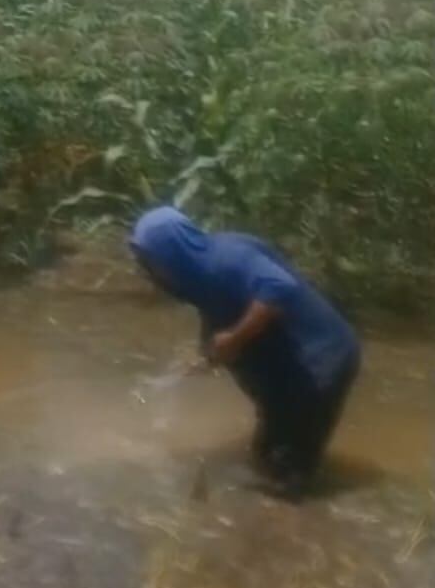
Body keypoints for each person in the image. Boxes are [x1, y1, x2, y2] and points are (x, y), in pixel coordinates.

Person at [130, 205, 360, 498]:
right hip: (289, 372)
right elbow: (221, 311)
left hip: (320, 363)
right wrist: (207, 356)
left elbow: (279, 289)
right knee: (264, 455)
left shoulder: (229, 256)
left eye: (149, 260)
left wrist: (235, 339)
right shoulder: (197, 275)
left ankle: (290, 523)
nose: (147, 270)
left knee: (287, 476)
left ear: (171, 250)